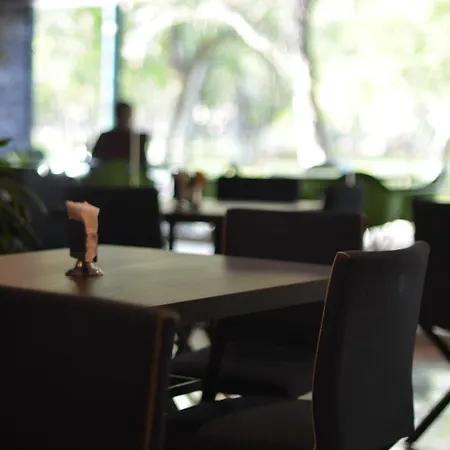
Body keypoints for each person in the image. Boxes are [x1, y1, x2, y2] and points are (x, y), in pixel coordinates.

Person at [90, 101, 150, 185]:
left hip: (130, 183)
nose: (125, 117)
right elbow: (96, 160)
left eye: (127, 114)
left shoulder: (137, 139)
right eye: (123, 114)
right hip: (108, 182)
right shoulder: (106, 137)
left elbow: (142, 164)